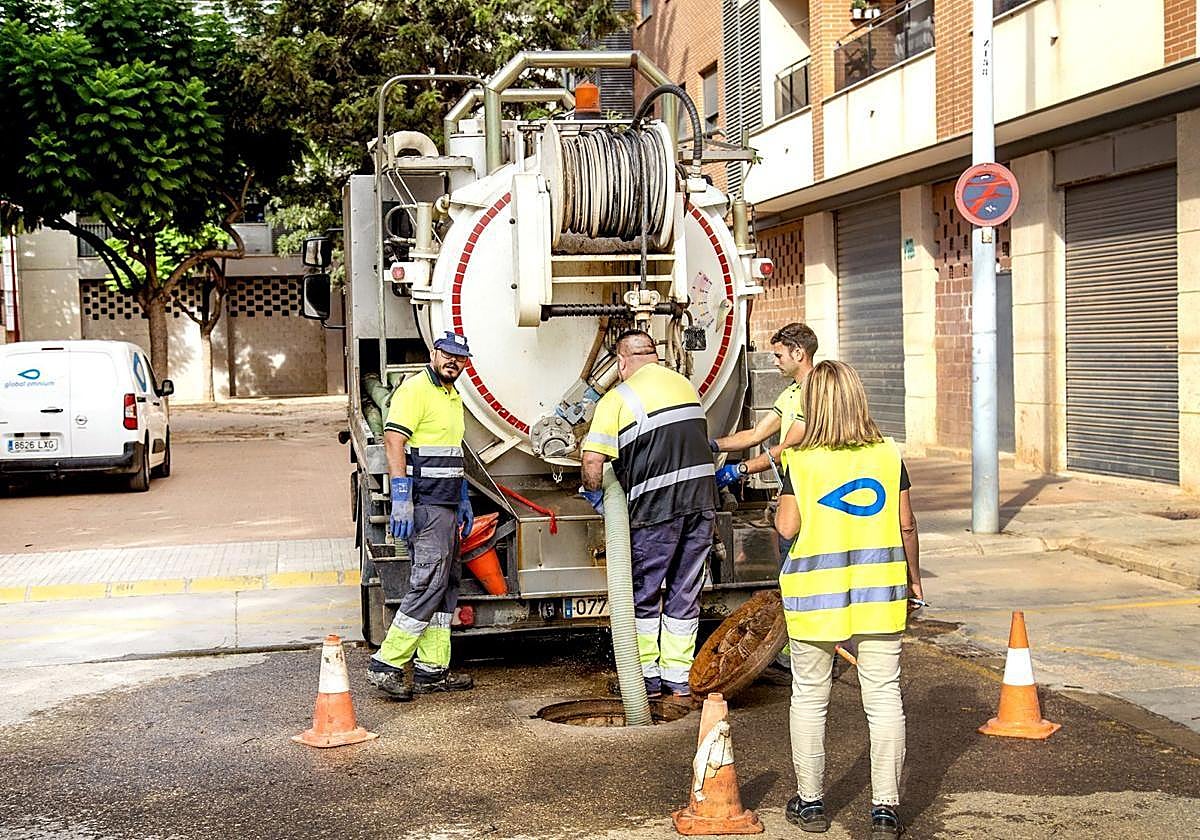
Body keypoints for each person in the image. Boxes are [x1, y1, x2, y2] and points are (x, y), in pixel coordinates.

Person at [772, 360, 923, 838]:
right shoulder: (887, 453)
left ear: (813, 405)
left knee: (811, 696)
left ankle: (811, 804)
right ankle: (884, 810)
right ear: (859, 399)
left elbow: (787, 528)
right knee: (883, 698)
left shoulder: (802, 461)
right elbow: (906, 524)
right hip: (880, 594)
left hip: (815, 596)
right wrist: (914, 580)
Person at [579, 330, 717, 705]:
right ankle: (679, 678)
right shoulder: (686, 386)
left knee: (643, 594)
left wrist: (595, 494)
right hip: (702, 503)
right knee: (684, 593)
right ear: (654, 357)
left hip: (657, 510)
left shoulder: (618, 398)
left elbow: (593, 460)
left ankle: (645, 679)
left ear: (622, 362)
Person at [367, 331, 476, 701]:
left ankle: (432, 670)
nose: (453, 362)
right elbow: (394, 438)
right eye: (447, 354)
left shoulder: (452, 395)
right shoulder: (415, 390)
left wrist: (461, 497)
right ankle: (386, 664)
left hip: (445, 504)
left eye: (460, 357)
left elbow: (449, 451)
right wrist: (401, 496)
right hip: (425, 504)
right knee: (429, 582)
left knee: (446, 585)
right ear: (435, 353)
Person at [711, 322, 817, 488]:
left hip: (812, 480)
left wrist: (740, 469)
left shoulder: (816, 392)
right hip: (794, 478)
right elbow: (755, 434)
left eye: (779, 356)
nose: (775, 362)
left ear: (798, 354)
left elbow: (787, 448)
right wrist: (713, 445)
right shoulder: (791, 392)